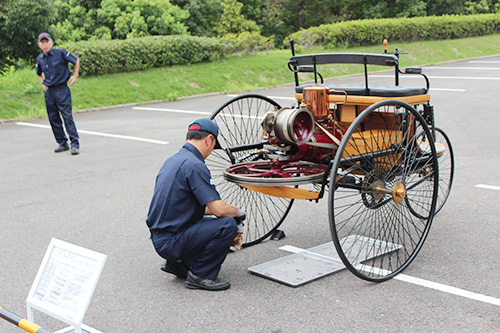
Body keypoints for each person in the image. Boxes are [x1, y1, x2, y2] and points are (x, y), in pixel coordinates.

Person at [146, 118, 246, 291]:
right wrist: (234, 212)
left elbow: (186, 205)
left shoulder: (173, 160)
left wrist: (224, 210)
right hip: (171, 240)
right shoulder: (195, 165)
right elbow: (218, 210)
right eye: (213, 146)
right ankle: (201, 275)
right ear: (209, 140)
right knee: (227, 225)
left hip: (161, 236)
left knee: (215, 220)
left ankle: (177, 263)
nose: (210, 151)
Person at [35, 32, 80, 155]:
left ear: (51, 43)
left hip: (62, 89)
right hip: (50, 91)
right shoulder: (40, 58)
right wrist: (42, 82)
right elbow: (38, 72)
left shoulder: (60, 53)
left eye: (47, 42)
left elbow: (76, 60)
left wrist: (75, 75)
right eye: (42, 43)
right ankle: (62, 142)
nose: (45, 45)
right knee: (53, 117)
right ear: (39, 45)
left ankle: (74, 143)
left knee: (67, 116)